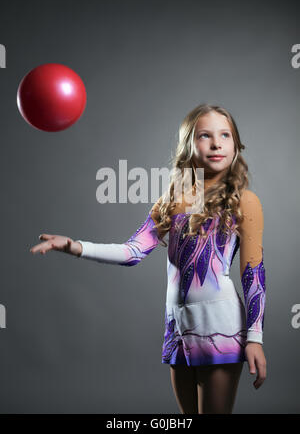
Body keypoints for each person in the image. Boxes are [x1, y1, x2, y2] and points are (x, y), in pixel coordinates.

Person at [30, 103, 267, 414]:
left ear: (235, 144)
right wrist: (76, 246)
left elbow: (254, 273)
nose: (216, 143)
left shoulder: (244, 201)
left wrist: (255, 338)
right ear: (188, 145)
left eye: (225, 135)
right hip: (178, 327)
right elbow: (132, 252)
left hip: (220, 326)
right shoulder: (175, 198)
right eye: (204, 135)